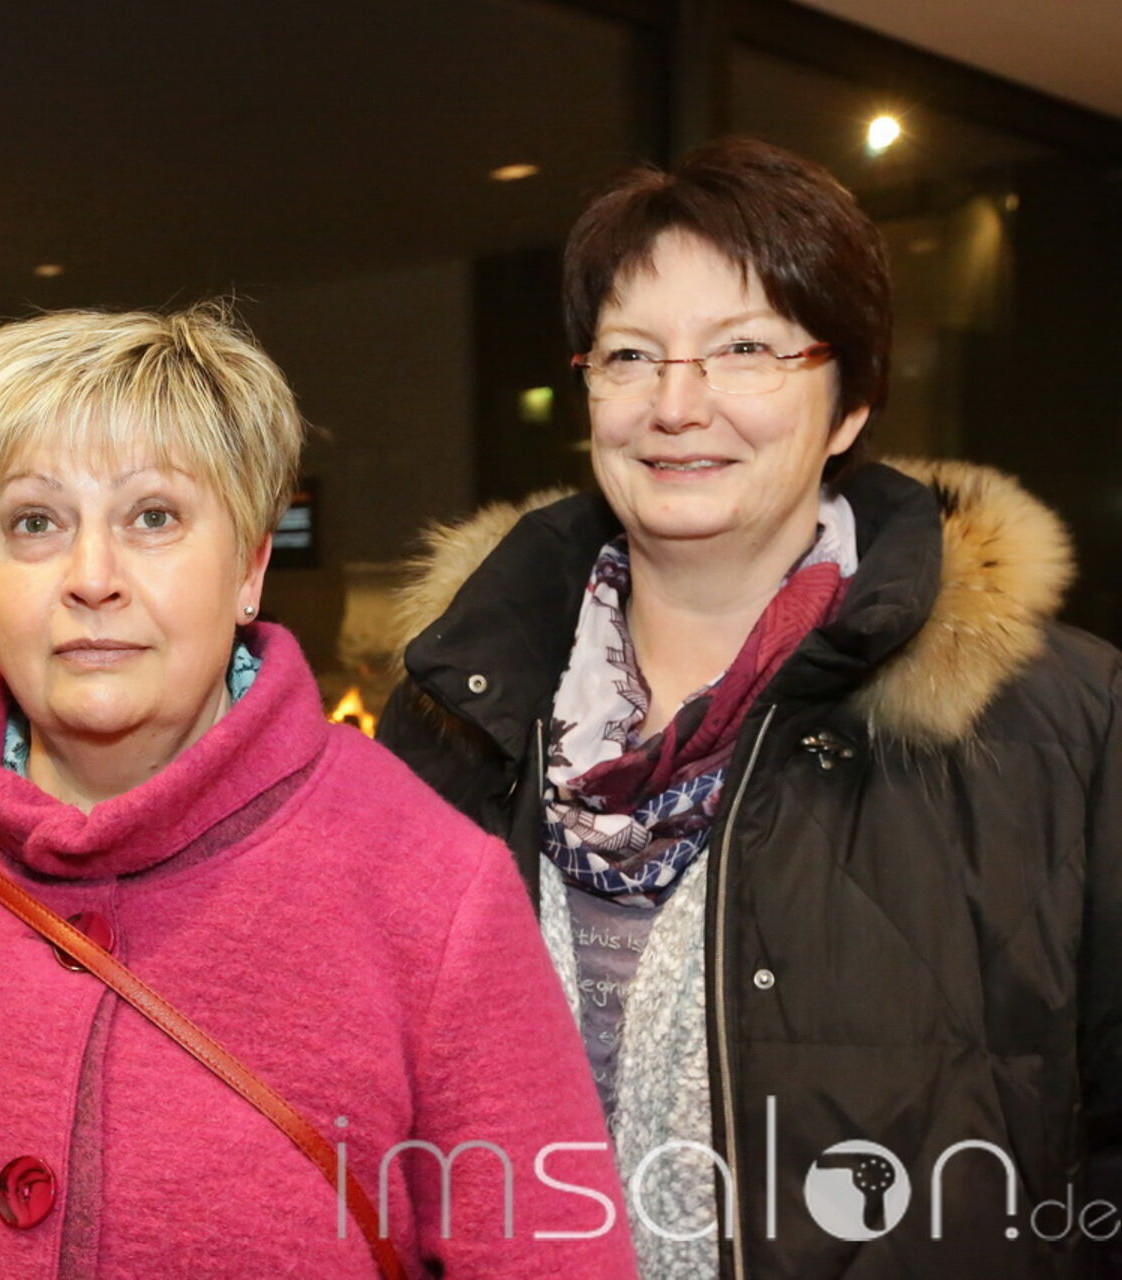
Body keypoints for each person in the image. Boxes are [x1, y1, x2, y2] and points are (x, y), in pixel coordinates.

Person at [0, 304, 637, 1277]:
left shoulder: (432, 887)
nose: (92, 577)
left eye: (154, 517)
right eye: (36, 522)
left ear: (250, 565)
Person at [379, 136, 1122, 1278]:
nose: (677, 405)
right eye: (631, 355)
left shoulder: (1062, 723)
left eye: (745, 349)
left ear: (849, 402)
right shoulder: (456, 710)